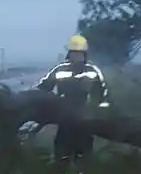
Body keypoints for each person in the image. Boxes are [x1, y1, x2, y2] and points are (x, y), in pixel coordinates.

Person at [35, 34, 111, 166]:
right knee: (62, 146)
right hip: (64, 114)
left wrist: (100, 110)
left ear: (85, 55)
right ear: (69, 54)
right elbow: (43, 87)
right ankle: (61, 169)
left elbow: (102, 91)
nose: (77, 57)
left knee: (84, 148)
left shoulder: (92, 70)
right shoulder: (59, 69)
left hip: (85, 115)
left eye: (79, 54)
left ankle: (83, 171)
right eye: (74, 54)